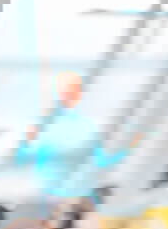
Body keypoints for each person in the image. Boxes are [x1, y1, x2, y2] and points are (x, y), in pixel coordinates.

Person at [15, 72, 141, 200]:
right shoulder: (43, 123)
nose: (74, 94)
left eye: (77, 90)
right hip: (57, 193)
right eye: (68, 90)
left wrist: (128, 147)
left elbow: (100, 160)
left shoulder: (83, 124)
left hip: (76, 191)